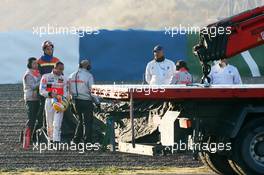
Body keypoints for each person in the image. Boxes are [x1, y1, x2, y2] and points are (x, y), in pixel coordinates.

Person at [68, 59, 99, 144]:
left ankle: (76, 140)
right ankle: (87, 141)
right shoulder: (88, 76)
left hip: (75, 101)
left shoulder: (71, 75)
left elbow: (68, 88)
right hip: (86, 101)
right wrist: (97, 102)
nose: (90, 66)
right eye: (89, 64)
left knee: (80, 121)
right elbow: (92, 91)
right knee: (87, 122)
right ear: (86, 66)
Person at [39, 61, 68, 143]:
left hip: (60, 102)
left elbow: (66, 91)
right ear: (54, 68)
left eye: (62, 69)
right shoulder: (46, 77)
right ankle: (50, 140)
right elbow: (41, 90)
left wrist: (64, 100)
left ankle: (57, 141)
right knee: (49, 121)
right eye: (60, 69)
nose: (61, 71)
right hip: (49, 101)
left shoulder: (64, 79)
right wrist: (49, 94)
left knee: (58, 122)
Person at [37, 40, 61, 130]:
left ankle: (56, 126)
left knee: (57, 106)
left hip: (55, 87)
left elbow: (61, 73)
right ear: (44, 50)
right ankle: (44, 126)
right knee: (44, 107)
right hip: (45, 87)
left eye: (51, 49)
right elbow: (38, 75)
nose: (50, 51)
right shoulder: (39, 62)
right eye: (47, 49)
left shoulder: (56, 60)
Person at [22, 57, 41, 150]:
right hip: (31, 99)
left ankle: (29, 137)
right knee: (31, 120)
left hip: (36, 99)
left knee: (35, 119)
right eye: (34, 63)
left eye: (36, 63)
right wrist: (41, 80)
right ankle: (26, 141)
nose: (36, 65)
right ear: (30, 64)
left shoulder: (36, 73)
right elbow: (33, 86)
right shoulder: (28, 74)